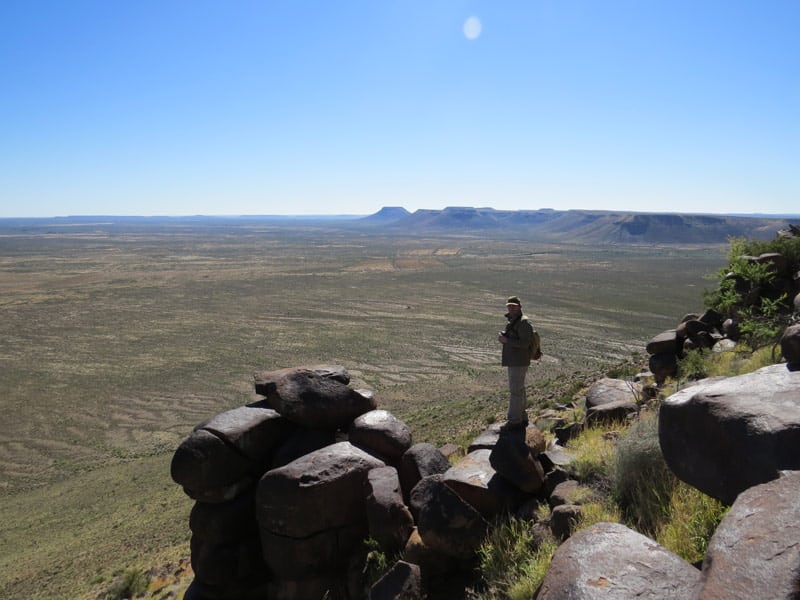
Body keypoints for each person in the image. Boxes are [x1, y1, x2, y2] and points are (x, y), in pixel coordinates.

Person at [497, 295, 540, 430]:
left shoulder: (523, 323)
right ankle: (522, 416)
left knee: (515, 390)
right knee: (519, 389)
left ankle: (514, 420)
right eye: (509, 306)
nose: (511, 308)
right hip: (515, 360)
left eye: (514, 306)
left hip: (519, 361)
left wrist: (506, 341)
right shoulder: (515, 321)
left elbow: (525, 343)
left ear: (520, 307)